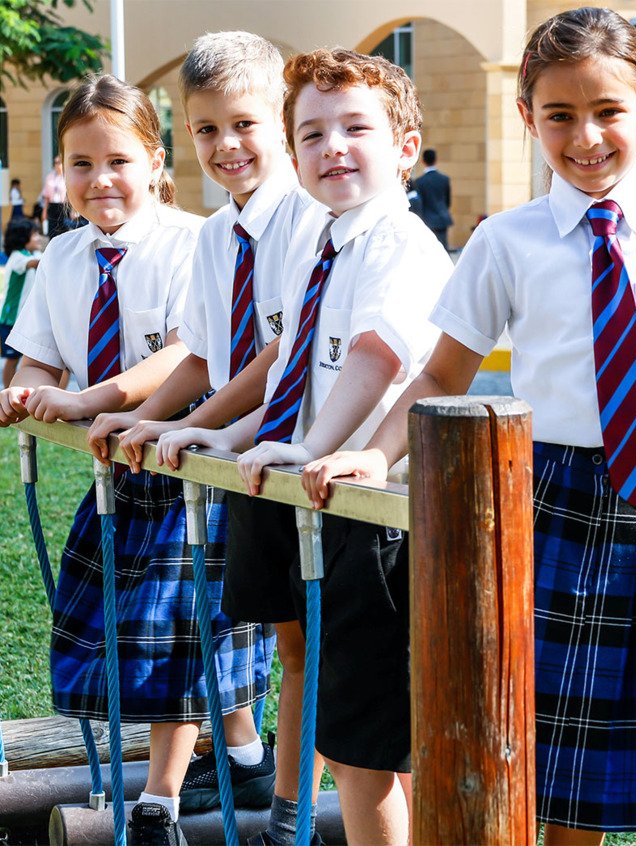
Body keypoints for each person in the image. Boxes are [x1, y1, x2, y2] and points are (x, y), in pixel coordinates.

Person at [300, 8, 636, 845]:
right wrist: (369, 453)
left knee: (607, 752)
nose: (588, 136)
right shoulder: (507, 241)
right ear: (528, 119)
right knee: (537, 725)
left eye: (608, 111)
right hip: (544, 492)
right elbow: (439, 373)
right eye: (560, 116)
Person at [155, 47, 453, 845]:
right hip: (299, 484)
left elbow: (375, 358)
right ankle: (295, 819)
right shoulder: (315, 241)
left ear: (406, 149)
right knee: (320, 691)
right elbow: (288, 362)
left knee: (368, 744)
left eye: (356, 128)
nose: (333, 148)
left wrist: (308, 443)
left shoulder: (401, 243)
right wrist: (222, 430)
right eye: (313, 134)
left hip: (365, 508)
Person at [86, 31, 321, 841]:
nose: (225, 145)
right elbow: (211, 356)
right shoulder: (221, 234)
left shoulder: (308, 217)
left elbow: (278, 354)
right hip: (250, 457)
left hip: (312, 450)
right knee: (276, 643)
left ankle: (295, 811)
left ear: (283, 120)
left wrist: (187, 425)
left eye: (244, 124)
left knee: (314, 645)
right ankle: (268, 794)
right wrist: (150, 418)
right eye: (205, 129)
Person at [0, 74, 239, 846]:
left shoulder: (194, 242)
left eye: (118, 161)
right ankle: (242, 751)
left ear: (155, 162)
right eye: (80, 163)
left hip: (187, 470)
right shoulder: (61, 258)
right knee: (116, 632)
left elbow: (183, 357)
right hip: (117, 478)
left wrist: (91, 399)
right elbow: (36, 362)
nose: (100, 179)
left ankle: (161, 800)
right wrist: (24, 395)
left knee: (173, 636)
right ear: (60, 172)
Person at [0, 218, 42, 387]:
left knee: (22, 358)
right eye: (35, 234)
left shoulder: (30, 254)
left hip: (23, 319)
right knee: (12, 359)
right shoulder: (18, 257)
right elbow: (35, 264)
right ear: (23, 238)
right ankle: (6, 393)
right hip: (11, 319)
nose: (38, 238)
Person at [414, 147, 452, 250]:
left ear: (423, 161)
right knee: (443, 249)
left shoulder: (419, 181)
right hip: (442, 218)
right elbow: (448, 201)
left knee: (428, 251)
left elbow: (419, 203)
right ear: (436, 160)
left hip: (426, 220)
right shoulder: (444, 179)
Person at [42, 154, 67, 238]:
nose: (57, 164)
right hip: (52, 205)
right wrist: (44, 211)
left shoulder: (67, 176)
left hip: (63, 205)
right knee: (52, 229)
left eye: (59, 162)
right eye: (55, 162)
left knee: (63, 230)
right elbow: (46, 195)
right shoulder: (50, 176)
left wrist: (73, 210)